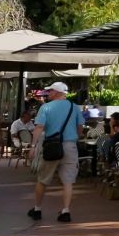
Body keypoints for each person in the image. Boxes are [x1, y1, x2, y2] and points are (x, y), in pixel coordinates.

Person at [29, 82, 83, 222]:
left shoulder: (45, 107)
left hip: (51, 146)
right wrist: (75, 138)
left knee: (43, 179)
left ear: (57, 92)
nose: (49, 93)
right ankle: (65, 210)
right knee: (68, 181)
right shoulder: (75, 107)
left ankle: (37, 208)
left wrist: (33, 146)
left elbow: (39, 127)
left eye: (51, 90)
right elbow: (80, 127)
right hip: (70, 146)